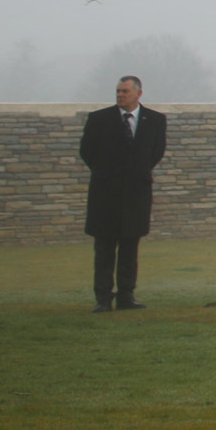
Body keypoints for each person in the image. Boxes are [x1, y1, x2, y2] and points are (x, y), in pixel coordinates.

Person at [78, 75, 166, 312]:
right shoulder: (99, 120)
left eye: (125, 91)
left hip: (136, 195)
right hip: (105, 195)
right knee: (105, 248)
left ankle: (126, 296)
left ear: (138, 93)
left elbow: (156, 152)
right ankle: (103, 298)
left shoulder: (155, 120)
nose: (120, 95)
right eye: (118, 91)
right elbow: (87, 152)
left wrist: (136, 173)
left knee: (130, 247)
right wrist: (108, 174)